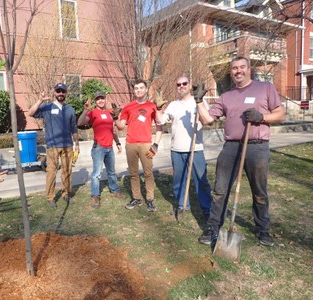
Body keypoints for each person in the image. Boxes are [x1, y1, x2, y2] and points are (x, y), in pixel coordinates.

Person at [195, 56, 285, 247]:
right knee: (220, 190)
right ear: (231, 72)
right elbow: (208, 120)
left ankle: (263, 230)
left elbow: (280, 114)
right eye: (234, 68)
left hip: (257, 147)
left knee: (259, 192)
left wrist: (261, 117)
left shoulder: (265, 88)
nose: (238, 71)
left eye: (242, 67)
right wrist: (198, 101)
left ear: (248, 68)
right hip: (231, 147)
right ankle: (213, 227)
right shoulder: (226, 96)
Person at [157, 75, 212, 219]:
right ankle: (182, 204)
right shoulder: (173, 105)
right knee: (178, 180)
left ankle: (207, 208)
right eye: (178, 84)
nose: (181, 86)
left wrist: (199, 102)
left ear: (190, 85)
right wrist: (157, 108)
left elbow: (208, 120)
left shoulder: (199, 101)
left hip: (196, 148)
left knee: (201, 180)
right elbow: (161, 120)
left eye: (184, 83)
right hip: (177, 149)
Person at [28, 83, 79, 208]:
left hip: (68, 145)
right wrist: (40, 100)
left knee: (67, 171)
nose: (61, 93)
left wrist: (76, 144)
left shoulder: (70, 109)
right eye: (58, 91)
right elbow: (30, 113)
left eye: (63, 91)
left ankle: (66, 193)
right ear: (54, 92)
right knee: (51, 171)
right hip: (53, 145)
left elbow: (74, 128)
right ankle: (50, 197)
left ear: (66, 93)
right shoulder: (47, 107)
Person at [115, 79, 163, 212]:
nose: (138, 90)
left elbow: (160, 125)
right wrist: (115, 118)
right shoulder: (128, 107)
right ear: (134, 90)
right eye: (136, 88)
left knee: (148, 173)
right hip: (131, 144)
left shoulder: (152, 106)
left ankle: (150, 199)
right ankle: (136, 198)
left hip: (146, 144)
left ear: (146, 89)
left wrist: (156, 145)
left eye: (141, 88)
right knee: (133, 173)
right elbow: (120, 127)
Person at [77, 91, 123, 209]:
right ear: (95, 101)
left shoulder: (109, 113)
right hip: (99, 148)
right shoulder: (93, 113)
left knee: (111, 172)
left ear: (105, 99)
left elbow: (113, 130)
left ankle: (114, 190)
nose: (100, 101)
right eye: (98, 99)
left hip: (109, 148)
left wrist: (117, 142)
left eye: (102, 98)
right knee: (96, 174)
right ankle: (95, 195)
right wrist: (85, 110)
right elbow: (80, 122)